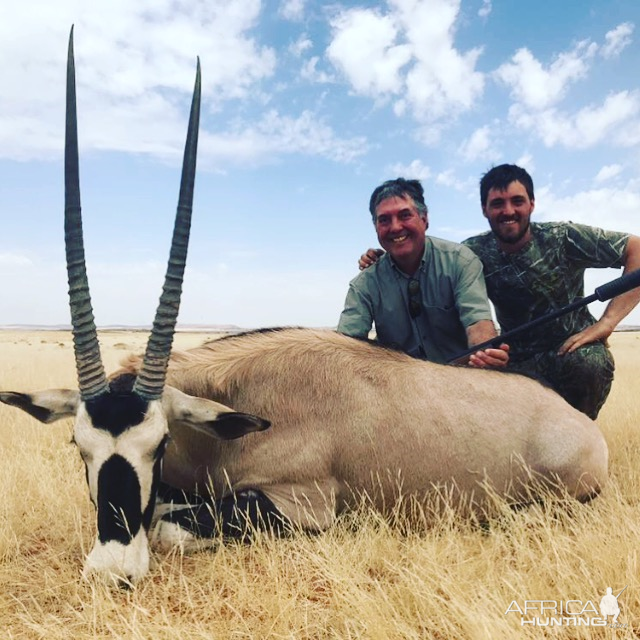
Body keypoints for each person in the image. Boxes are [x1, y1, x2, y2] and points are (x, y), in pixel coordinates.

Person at [359, 164, 640, 419]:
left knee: (589, 364)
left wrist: (607, 323)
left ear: (532, 203)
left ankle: (582, 441)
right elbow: (429, 260)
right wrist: (384, 259)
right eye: (497, 203)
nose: (508, 211)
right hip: (514, 362)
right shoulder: (469, 253)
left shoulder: (563, 237)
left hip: (571, 352)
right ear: (484, 209)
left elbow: (636, 249)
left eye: (517, 201)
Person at [338, 178, 509, 367]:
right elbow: (344, 348)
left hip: (460, 381)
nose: (395, 227)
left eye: (404, 215)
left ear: (424, 219)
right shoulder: (364, 285)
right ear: (376, 228)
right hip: (398, 388)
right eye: (384, 220)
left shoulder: (460, 261)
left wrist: (485, 354)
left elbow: (478, 324)